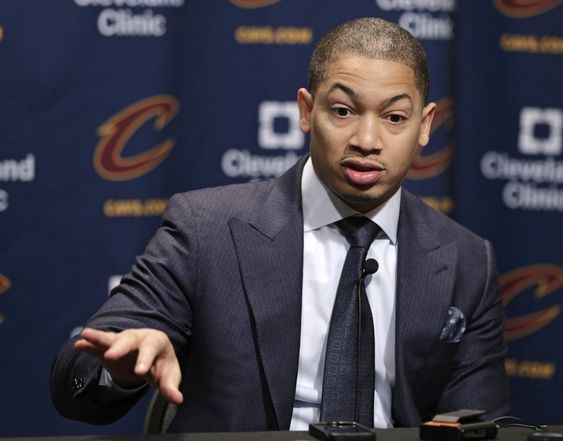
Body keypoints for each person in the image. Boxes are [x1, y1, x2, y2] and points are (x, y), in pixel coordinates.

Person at [50, 17, 509, 432]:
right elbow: (77, 376)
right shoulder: (206, 230)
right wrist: (121, 369)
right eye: (343, 111)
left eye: (394, 118)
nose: (367, 141)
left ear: (425, 125)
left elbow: (478, 423)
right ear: (307, 111)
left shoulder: (468, 261)